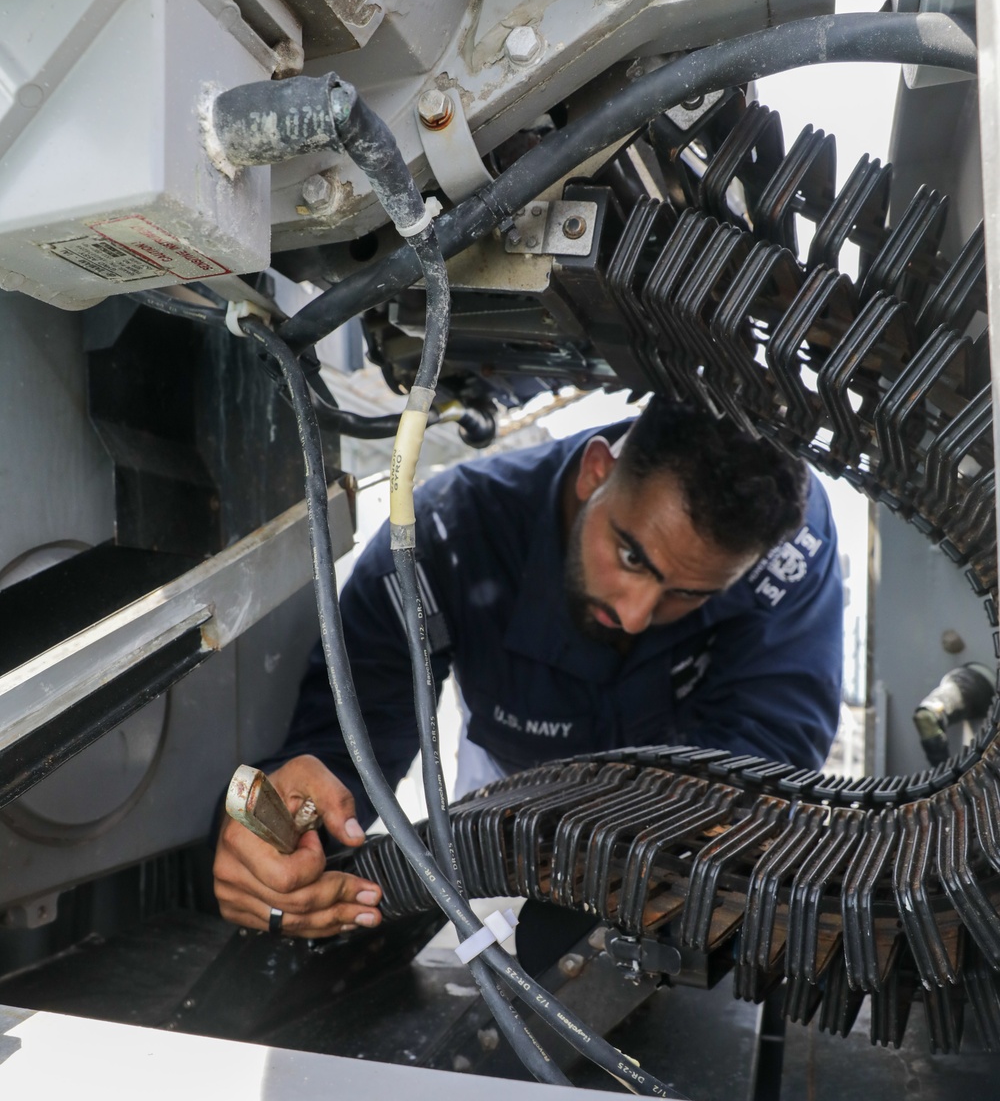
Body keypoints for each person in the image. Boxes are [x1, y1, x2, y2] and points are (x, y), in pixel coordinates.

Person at [213, 399, 843, 940]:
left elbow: (767, 756)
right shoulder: (448, 532)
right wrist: (281, 837)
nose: (635, 614)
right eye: (631, 556)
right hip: (502, 798)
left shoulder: (788, 550)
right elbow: (349, 742)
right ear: (597, 472)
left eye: (689, 593)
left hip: (674, 821)